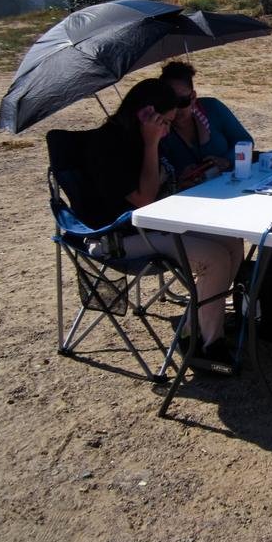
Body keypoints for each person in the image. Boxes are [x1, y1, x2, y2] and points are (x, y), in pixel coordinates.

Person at [82, 78, 243, 363]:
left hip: (155, 226)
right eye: (165, 123)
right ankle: (208, 345)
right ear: (147, 114)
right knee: (215, 259)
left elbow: (157, 191)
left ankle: (195, 328)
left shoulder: (140, 137)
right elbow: (144, 200)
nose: (168, 130)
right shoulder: (108, 145)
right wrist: (151, 142)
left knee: (232, 242)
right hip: (118, 238)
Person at [159, 61, 252, 184]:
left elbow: (245, 141)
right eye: (169, 102)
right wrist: (179, 177)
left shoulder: (212, 108)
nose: (175, 109)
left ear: (193, 97)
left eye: (182, 102)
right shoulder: (157, 129)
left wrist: (227, 161)